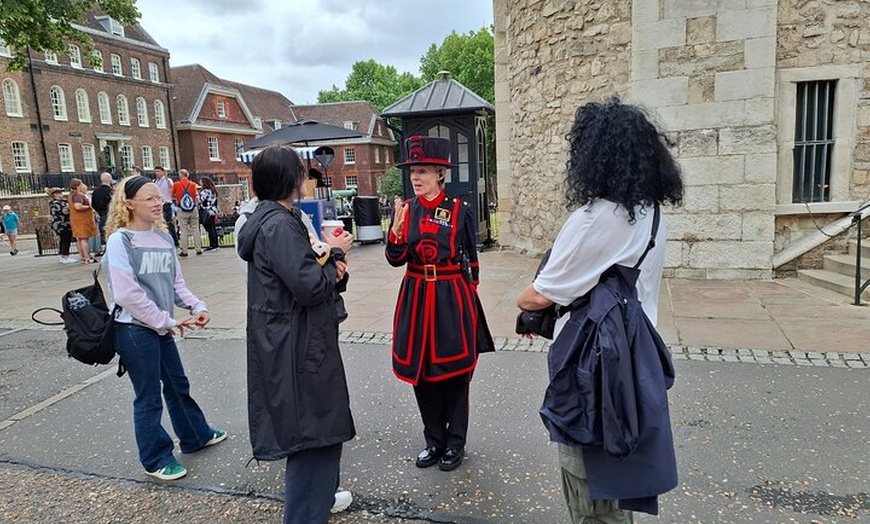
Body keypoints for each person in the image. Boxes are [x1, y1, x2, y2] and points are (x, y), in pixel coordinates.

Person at [515, 98, 684, 523]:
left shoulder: (597, 218)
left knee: (586, 473)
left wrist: (523, 299)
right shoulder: (652, 212)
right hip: (635, 353)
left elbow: (539, 295)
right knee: (615, 472)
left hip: (593, 360)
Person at [237, 146, 356, 523]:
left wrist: (328, 262)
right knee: (313, 440)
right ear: (290, 180)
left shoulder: (275, 219)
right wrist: (335, 256)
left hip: (292, 343)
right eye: (301, 174)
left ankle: (316, 507)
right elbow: (307, 286)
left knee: (316, 440)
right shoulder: (278, 225)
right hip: (298, 349)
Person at [102, 175, 227, 481]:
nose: (158, 203)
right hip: (133, 330)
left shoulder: (164, 239)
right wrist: (168, 321)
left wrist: (198, 306)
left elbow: (175, 284)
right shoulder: (121, 240)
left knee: (177, 385)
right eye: (149, 198)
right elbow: (127, 294)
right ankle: (155, 458)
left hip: (160, 327)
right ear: (128, 204)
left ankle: (195, 435)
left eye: (158, 197)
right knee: (149, 397)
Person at [386, 136, 494, 472]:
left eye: (422, 171)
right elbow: (395, 259)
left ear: (440, 174)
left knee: (455, 374)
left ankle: (455, 443)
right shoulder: (407, 210)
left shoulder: (459, 209)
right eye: (413, 171)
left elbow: (471, 259)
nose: (415, 178)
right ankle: (434, 441)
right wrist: (396, 232)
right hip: (416, 297)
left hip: (451, 297)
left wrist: (469, 300)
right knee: (423, 374)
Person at [172, 169, 202, 256]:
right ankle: (198, 249)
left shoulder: (176, 184)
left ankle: (184, 251)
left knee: (183, 230)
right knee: (195, 229)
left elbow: (172, 195)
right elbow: (195, 196)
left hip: (182, 208)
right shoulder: (192, 184)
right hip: (193, 208)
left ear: (180, 175)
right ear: (187, 175)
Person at [68, 178, 98, 264]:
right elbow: (78, 206)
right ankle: (87, 257)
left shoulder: (71, 195)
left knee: (79, 239)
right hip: (82, 220)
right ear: (78, 186)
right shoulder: (78, 196)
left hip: (75, 219)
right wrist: (89, 207)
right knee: (84, 239)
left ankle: (82, 257)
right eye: (81, 184)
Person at [47, 188, 76, 264]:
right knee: (65, 240)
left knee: (64, 240)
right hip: (63, 225)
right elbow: (65, 211)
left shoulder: (59, 202)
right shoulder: (56, 203)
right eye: (59, 193)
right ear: (55, 194)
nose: (61, 194)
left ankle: (64, 256)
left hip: (62, 224)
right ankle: (65, 256)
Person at [152, 166, 178, 246]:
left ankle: (174, 241)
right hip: (158, 203)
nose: (156, 173)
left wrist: (166, 178)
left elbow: (171, 189)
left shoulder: (168, 180)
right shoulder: (154, 181)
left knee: (168, 223)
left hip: (166, 203)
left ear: (163, 172)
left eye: (158, 171)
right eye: (155, 171)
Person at [91, 172, 114, 245]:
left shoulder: (95, 192)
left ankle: (104, 249)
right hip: (110, 215)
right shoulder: (111, 192)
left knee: (103, 234)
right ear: (109, 180)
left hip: (101, 215)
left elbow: (93, 204)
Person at [198, 177, 220, 251]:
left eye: (201, 182)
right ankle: (216, 245)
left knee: (209, 229)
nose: (200, 183)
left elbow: (199, 200)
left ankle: (212, 245)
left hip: (206, 211)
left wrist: (196, 196)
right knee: (213, 228)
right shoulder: (213, 191)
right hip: (213, 211)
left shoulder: (205, 191)